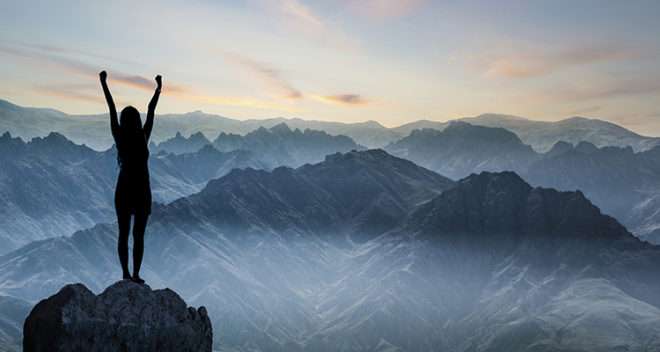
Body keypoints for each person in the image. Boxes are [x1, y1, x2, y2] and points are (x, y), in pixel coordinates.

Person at [100, 70, 161, 284]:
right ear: (137, 120)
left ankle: (126, 274)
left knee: (124, 234)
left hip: (125, 190)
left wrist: (104, 84)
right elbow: (151, 111)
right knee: (137, 236)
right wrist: (158, 90)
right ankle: (134, 274)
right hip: (142, 190)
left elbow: (111, 107)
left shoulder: (120, 136)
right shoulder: (143, 137)